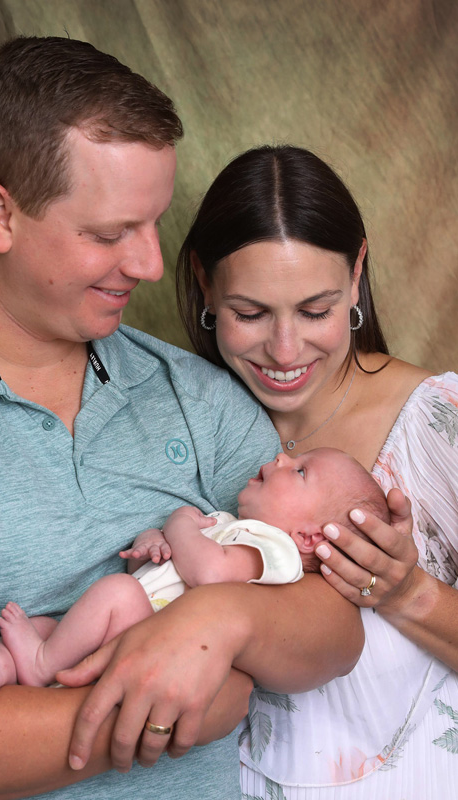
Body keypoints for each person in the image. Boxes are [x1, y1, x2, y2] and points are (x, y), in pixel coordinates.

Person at [0, 39, 375, 800]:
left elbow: (334, 632)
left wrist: (221, 626)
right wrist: (173, 711)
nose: (150, 264)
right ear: (0, 215)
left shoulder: (191, 391)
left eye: (153, 224)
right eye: (112, 233)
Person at [177, 144, 458, 798]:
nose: (284, 351)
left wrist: (408, 595)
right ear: (204, 283)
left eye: (314, 310)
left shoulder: (436, 424)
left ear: (356, 275)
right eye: (250, 313)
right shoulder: (180, 419)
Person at [0, 447, 388, 694]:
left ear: (307, 537)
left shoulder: (277, 552)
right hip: (134, 624)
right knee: (47, 624)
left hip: (152, 642)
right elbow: (179, 567)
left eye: (301, 471)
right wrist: (156, 543)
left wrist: (178, 523)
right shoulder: (229, 525)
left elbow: (208, 573)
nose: (283, 458)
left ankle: (39, 665)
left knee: (116, 593)